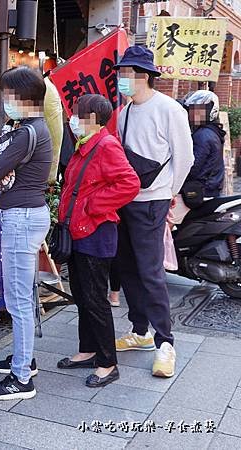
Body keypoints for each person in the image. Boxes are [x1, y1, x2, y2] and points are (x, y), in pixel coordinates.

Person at [114, 46, 194, 378]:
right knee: (127, 267)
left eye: (125, 74)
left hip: (153, 201)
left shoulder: (169, 109)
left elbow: (184, 157)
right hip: (127, 199)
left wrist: (168, 192)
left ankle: (165, 343)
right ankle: (140, 330)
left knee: (151, 272)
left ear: (143, 76)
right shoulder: (124, 113)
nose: (121, 80)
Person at [56, 94, 140, 388]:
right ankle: (88, 349)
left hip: (95, 232)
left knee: (94, 299)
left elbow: (130, 183)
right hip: (79, 231)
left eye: (78, 114)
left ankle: (108, 362)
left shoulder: (105, 145)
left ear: (92, 118)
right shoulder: (86, 145)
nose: (73, 119)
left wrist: (94, 206)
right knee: (81, 295)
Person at [0, 66, 52, 400]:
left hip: (21, 219)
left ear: (22, 96)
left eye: (8, 94)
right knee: (24, 295)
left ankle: (22, 378)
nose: (4, 100)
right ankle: (24, 358)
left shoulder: (25, 133)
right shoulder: (34, 127)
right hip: (28, 215)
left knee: (18, 300)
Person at [170, 90, 226, 222]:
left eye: (199, 110)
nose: (193, 114)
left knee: (168, 221)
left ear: (210, 111)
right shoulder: (211, 132)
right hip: (209, 189)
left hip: (199, 191)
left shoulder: (203, 135)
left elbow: (192, 166)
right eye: (192, 110)